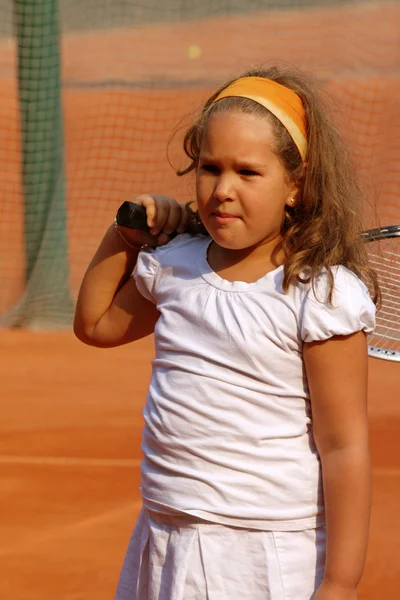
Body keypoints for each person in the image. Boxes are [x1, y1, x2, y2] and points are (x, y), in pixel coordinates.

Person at [74, 66, 379, 600]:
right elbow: (95, 326)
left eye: (248, 172)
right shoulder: (173, 265)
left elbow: (344, 445)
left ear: (296, 184)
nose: (223, 190)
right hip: (165, 536)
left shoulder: (319, 294)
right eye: (210, 168)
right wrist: (124, 236)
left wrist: (341, 581)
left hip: (265, 553)